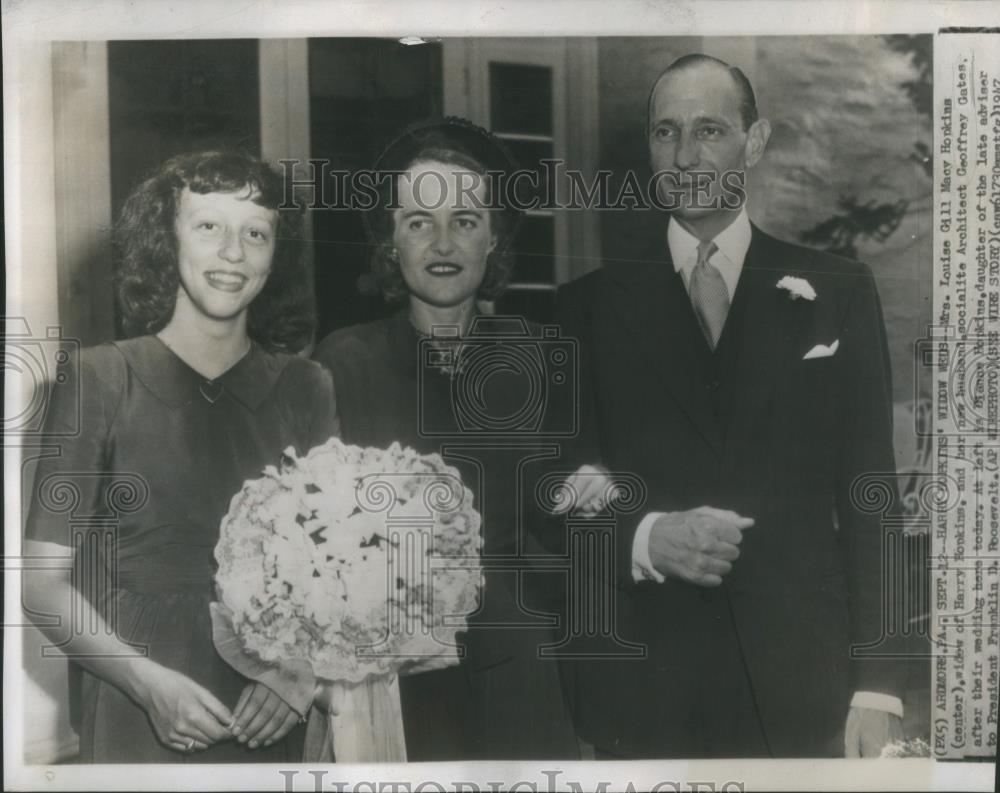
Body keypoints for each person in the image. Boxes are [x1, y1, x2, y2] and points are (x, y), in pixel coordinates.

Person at [555, 54, 905, 758]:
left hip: (805, 687)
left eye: (709, 130)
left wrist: (880, 684)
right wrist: (646, 535)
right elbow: (553, 496)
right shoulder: (582, 311)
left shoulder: (837, 291)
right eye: (665, 132)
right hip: (648, 690)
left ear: (755, 142)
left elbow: (872, 496)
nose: (683, 155)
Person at [23, 150, 340, 762]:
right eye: (208, 227)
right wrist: (149, 686)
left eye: (256, 232)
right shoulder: (96, 380)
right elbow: (40, 585)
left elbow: (337, 569)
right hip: (137, 701)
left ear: (277, 256)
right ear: (167, 242)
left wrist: (296, 677)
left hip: (269, 710)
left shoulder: (309, 386)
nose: (233, 252)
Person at [313, 118, 582, 760]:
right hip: (389, 676)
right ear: (390, 244)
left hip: (522, 672)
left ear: (494, 241)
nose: (442, 241)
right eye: (418, 222)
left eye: (465, 220)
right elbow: (317, 535)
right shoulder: (341, 361)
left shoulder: (539, 357)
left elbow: (565, 520)